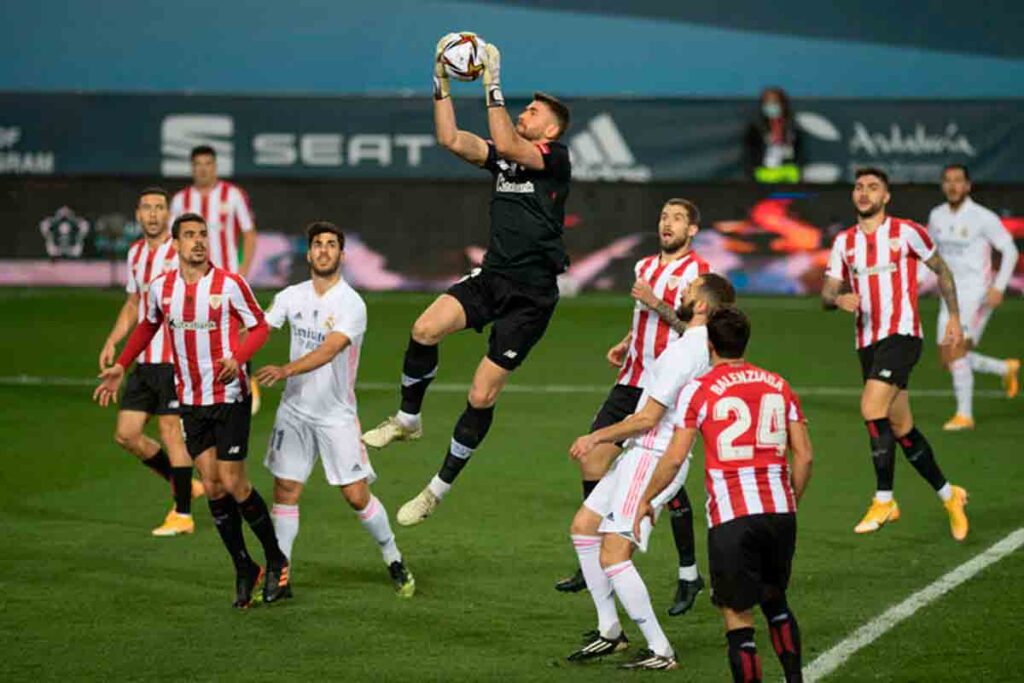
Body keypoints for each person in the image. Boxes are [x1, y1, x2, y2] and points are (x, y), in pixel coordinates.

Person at [361, 34, 572, 527]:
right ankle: (408, 419)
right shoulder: (506, 158)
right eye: (524, 109)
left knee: (481, 396)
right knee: (424, 329)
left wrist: (493, 82)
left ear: (551, 127)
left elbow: (512, 143)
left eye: (533, 112)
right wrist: (441, 81)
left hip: (531, 296)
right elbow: (451, 139)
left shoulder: (556, 158)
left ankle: (436, 490)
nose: (524, 114)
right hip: (493, 276)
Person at [94, 213, 290, 608]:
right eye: (189, 235)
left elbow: (259, 327)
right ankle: (244, 567)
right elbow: (148, 326)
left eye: (202, 234)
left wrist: (238, 358)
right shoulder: (161, 288)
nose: (198, 241)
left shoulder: (230, 284)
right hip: (191, 401)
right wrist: (122, 365)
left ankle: (276, 560)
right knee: (213, 486)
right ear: (177, 243)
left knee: (234, 482)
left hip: (229, 397)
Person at [564, 273, 735, 671]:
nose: (682, 291)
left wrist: (596, 437)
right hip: (641, 452)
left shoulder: (686, 352)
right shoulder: (696, 344)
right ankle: (610, 631)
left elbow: (647, 418)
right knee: (584, 527)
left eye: (690, 289)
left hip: (653, 456)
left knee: (614, 553)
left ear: (702, 306)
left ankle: (661, 650)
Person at [635, 307, 813, 683]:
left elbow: (674, 458)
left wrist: (646, 498)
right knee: (776, 602)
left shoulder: (698, 390)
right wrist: (791, 499)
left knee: (737, 617)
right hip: (780, 512)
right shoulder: (779, 384)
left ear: (710, 345)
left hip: (732, 516)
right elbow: (805, 455)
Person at [555, 198, 709, 619]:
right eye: (664, 217)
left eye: (678, 219)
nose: (668, 224)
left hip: (665, 386)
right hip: (631, 378)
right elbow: (642, 317)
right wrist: (627, 341)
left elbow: (696, 330)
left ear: (692, 230)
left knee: (666, 477)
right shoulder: (644, 266)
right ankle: (593, 554)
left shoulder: (698, 274)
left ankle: (689, 573)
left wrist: (656, 303)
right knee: (592, 460)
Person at [254, 221, 415, 597]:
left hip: (335, 416)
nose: (324, 250)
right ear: (309, 253)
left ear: (341, 255)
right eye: (317, 244)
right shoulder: (291, 295)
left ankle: (393, 557)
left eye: (331, 244)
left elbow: (329, 350)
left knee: (356, 495)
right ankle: (281, 574)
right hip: (294, 411)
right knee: (285, 489)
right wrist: (232, 351)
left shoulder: (351, 304)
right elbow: (261, 329)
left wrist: (286, 370)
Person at [821, 167, 969, 540]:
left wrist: (954, 317)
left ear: (886, 196)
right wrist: (839, 298)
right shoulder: (844, 242)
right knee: (901, 426)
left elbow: (942, 271)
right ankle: (950, 495)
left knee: (871, 407)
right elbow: (827, 292)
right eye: (859, 187)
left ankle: (884, 499)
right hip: (867, 342)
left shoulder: (907, 232)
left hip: (902, 334)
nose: (864, 192)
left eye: (873, 187)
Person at [97, 187, 201, 536]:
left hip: (175, 360)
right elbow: (133, 303)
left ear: (168, 214)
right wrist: (113, 340)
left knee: (171, 431)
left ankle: (183, 514)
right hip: (144, 361)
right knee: (127, 434)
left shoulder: (182, 251)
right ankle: (184, 483)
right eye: (147, 208)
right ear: (138, 215)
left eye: (159, 208)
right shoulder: (136, 253)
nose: (153, 214)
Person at [169, 145, 263, 413]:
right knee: (195, 332)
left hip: (227, 281)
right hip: (193, 282)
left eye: (207, 164)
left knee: (238, 333)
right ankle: (197, 388)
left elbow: (249, 234)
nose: (203, 169)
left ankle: (245, 384)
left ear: (215, 166)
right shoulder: (181, 200)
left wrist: (242, 273)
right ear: (192, 168)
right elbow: (172, 240)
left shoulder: (233, 195)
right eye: (198, 164)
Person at [927, 164, 1020, 431]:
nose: (953, 185)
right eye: (948, 180)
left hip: (976, 293)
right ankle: (1004, 369)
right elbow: (932, 253)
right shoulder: (936, 216)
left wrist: (998, 287)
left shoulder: (983, 217)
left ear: (968, 186)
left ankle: (964, 415)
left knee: (956, 351)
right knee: (948, 358)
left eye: (958, 180)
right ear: (943, 185)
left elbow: (1010, 251)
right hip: (949, 294)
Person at [744, 87, 801, 184]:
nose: (770, 105)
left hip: (786, 171)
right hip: (763, 172)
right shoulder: (755, 127)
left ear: (783, 104)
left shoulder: (792, 126)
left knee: (793, 173)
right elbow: (750, 155)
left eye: (774, 102)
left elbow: (799, 153)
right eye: (767, 102)